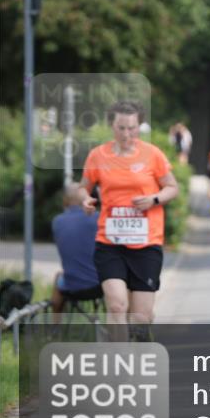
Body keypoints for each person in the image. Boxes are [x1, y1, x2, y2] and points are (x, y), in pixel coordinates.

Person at [80, 101, 179, 326]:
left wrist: (154, 199)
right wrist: (85, 199)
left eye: (132, 128)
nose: (126, 133)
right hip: (110, 242)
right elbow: (82, 188)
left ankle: (140, 344)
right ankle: (120, 361)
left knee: (141, 318)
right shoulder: (98, 155)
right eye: (121, 128)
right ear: (112, 126)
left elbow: (172, 188)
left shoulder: (152, 154)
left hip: (146, 244)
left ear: (139, 126)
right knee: (116, 306)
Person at [50, 183, 101, 314]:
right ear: (86, 198)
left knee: (58, 276)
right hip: (99, 285)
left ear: (65, 200)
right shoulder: (98, 218)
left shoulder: (57, 221)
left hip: (71, 286)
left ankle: (55, 329)